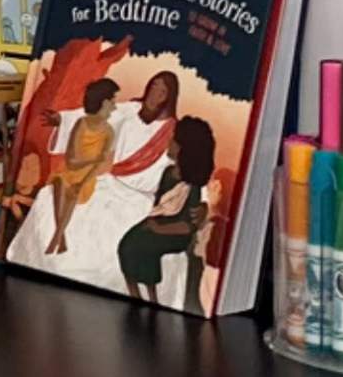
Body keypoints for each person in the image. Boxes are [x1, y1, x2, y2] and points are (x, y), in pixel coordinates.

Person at [116, 115, 219, 308]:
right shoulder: (168, 173)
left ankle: (152, 296)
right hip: (159, 223)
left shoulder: (191, 185)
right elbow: (160, 206)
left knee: (138, 246)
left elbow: (186, 226)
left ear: (183, 149)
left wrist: (157, 229)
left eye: (174, 140)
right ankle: (134, 293)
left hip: (174, 233)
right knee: (127, 243)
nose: (168, 142)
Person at [44, 77, 121, 251]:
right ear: (105, 101)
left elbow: (97, 167)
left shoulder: (109, 131)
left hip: (87, 177)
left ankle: (55, 240)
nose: (115, 107)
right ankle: (60, 239)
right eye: (113, 102)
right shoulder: (81, 124)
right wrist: (94, 159)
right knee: (59, 183)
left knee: (73, 191)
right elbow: (71, 161)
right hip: (69, 171)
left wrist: (83, 181)